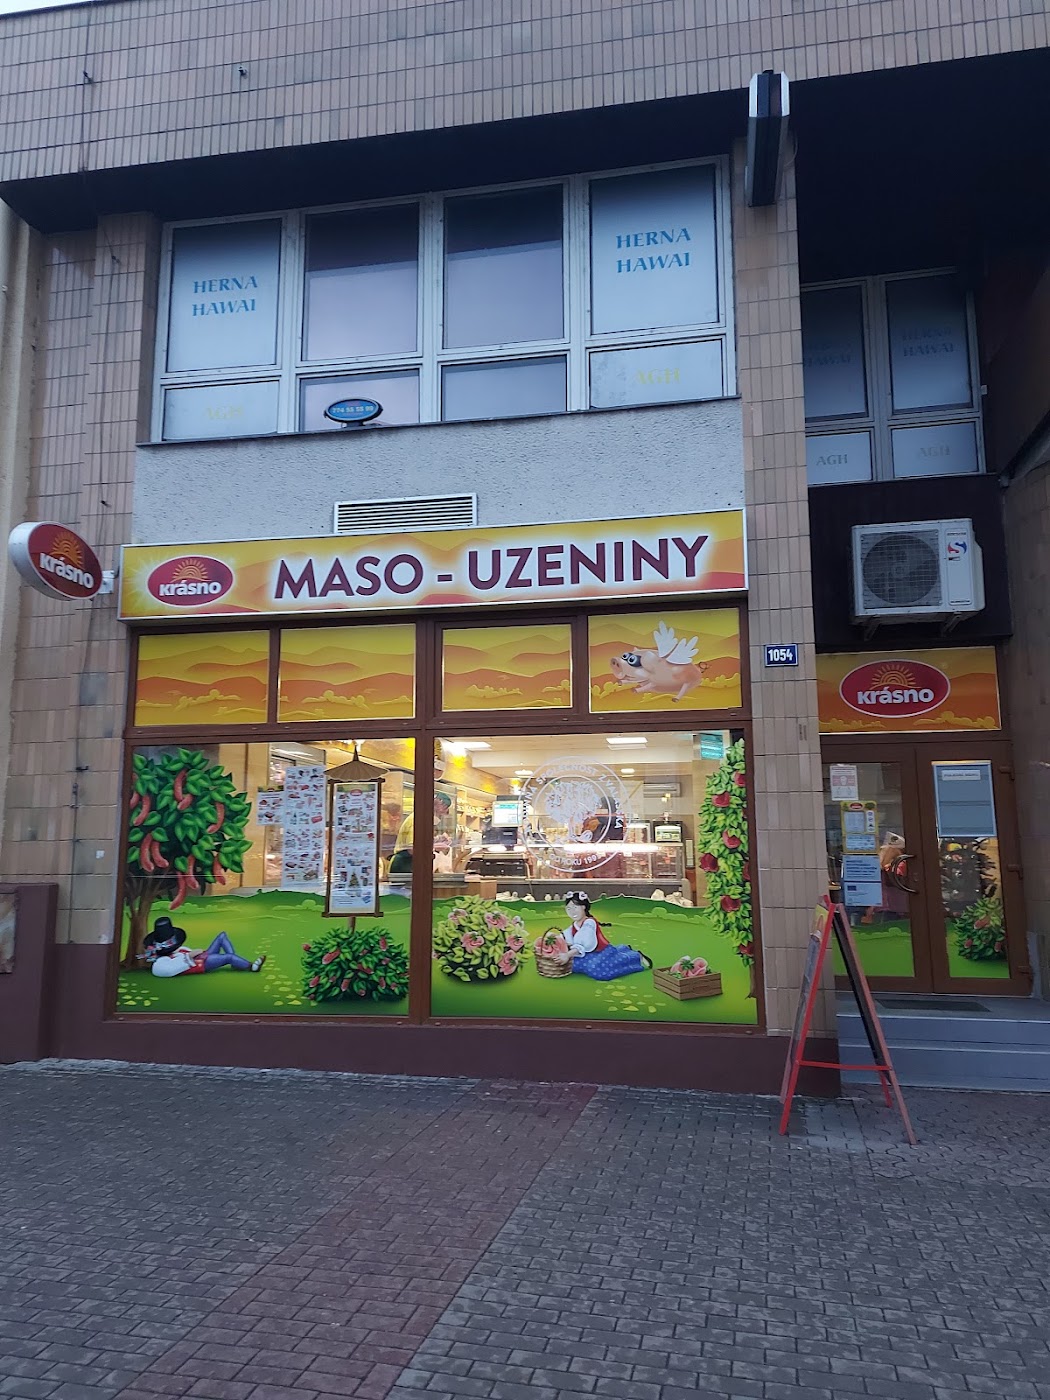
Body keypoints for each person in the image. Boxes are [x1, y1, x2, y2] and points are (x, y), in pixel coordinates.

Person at [140, 919, 265, 978]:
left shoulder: (177, 950)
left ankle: (235, 964)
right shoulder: (160, 964)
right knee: (228, 957)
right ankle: (251, 966)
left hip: (202, 957)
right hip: (200, 964)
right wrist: (189, 956)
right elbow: (167, 971)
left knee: (222, 936)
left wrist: (193, 953)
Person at [390, 790, 453, 875]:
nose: (441, 816)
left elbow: (421, 842)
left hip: (413, 864)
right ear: (434, 807)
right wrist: (434, 847)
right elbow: (412, 849)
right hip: (404, 865)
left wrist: (437, 840)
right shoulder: (417, 820)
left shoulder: (424, 820)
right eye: (441, 813)